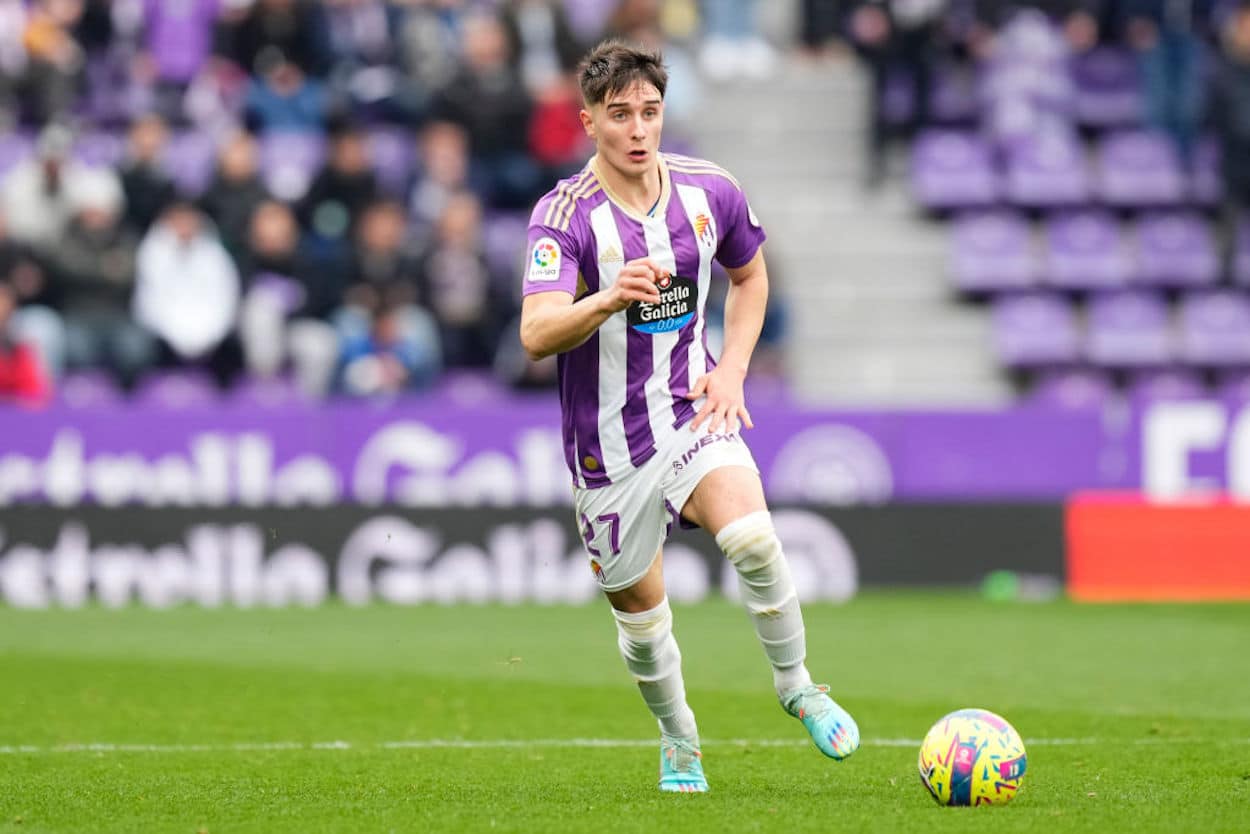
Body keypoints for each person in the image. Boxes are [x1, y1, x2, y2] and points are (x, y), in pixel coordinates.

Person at [518, 40, 859, 794]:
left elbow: (751, 276)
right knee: (642, 623)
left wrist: (732, 369)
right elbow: (536, 334)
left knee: (754, 538)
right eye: (619, 116)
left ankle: (799, 685)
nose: (639, 129)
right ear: (589, 123)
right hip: (607, 453)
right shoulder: (564, 216)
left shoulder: (710, 191)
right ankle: (679, 739)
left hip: (691, 409)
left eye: (650, 112)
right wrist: (607, 296)